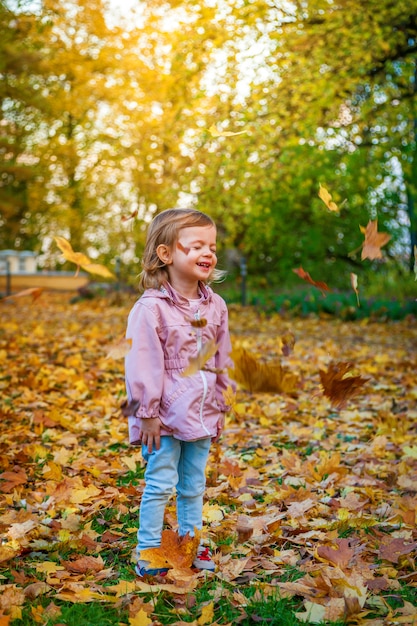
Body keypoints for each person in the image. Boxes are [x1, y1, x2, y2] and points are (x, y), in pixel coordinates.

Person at [124, 208, 235, 577]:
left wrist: (221, 402)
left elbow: (222, 357)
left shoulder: (216, 306)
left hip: (201, 412)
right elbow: (142, 365)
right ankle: (149, 551)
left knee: (193, 485)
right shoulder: (150, 310)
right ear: (166, 254)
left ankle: (190, 544)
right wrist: (148, 413)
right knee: (160, 483)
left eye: (213, 247)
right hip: (163, 418)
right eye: (197, 246)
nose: (208, 253)